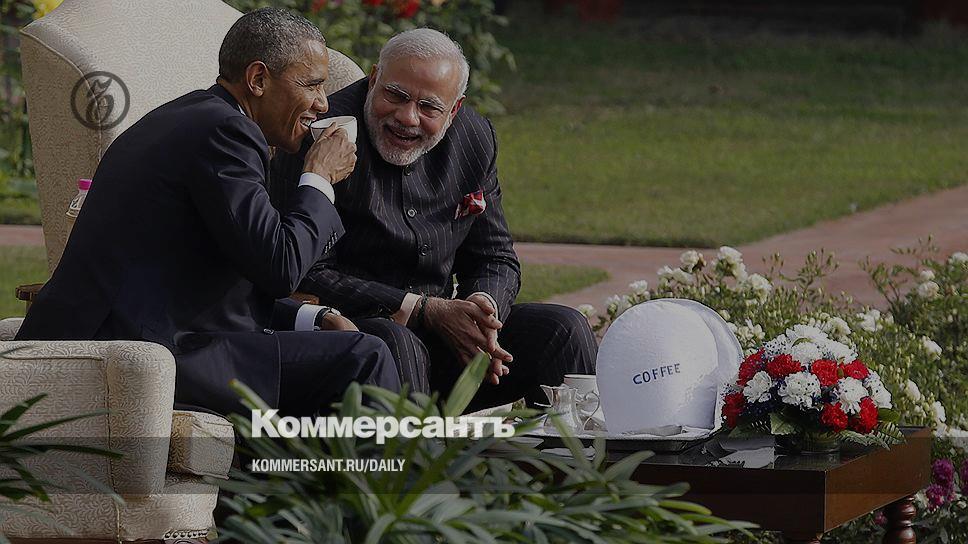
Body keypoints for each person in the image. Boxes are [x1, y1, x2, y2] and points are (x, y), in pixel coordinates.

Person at [15, 8, 401, 417]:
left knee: (369, 339)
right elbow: (281, 266)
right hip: (141, 354)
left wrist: (314, 316)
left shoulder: (195, 117)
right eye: (312, 85)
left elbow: (229, 280)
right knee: (365, 355)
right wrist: (319, 176)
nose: (323, 103)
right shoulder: (226, 133)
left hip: (154, 334)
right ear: (258, 79)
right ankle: (394, 461)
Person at [269, 28, 596, 411]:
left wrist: (482, 312)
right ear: (373, 79)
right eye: (396, 95)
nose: (407, 117)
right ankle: (417, 452)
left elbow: (495, 256)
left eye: (429, 107)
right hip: (357, 334)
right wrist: (424, 310)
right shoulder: (320, 133)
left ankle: (580, 449)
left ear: (454, 110)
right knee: (395, 342)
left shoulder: (474, 137)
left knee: (563, 329)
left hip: (448, 341)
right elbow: (302, 270)